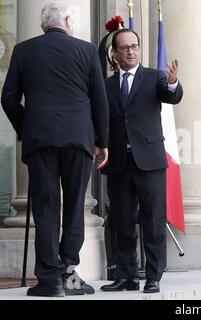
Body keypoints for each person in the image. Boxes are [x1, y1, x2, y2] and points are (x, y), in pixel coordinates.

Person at [1, 2, 109, 297]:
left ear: (42, 26)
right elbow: (100, 101)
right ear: (68, 21)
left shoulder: (24, 50)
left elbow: (8, 98)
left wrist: (27, 128)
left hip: (41, 140)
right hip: (78, 138)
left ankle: (50, 280)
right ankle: (70, 273)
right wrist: (102, 142)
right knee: (74, 206)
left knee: (46, 208)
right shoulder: (86, 51)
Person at [100, 29, 183, 294]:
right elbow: (100, 118)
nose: (131, 51)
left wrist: (172, 82)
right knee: (122, 221)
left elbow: (171, 95)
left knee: (153, 221)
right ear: (115, 53)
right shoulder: (106, 85)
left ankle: (153, 276)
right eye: (125, 48)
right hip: (119, 163)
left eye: (134, 46)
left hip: (149, 161)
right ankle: (126, 276)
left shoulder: (154, 77)